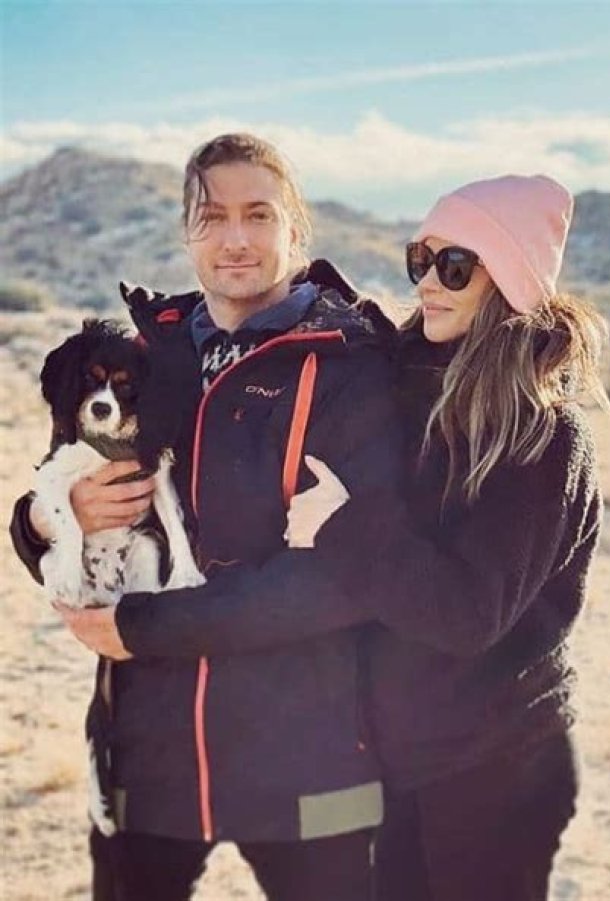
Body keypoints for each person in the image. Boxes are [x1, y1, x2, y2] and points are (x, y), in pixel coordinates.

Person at [69, 173, 607, 901]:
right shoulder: (404, 374)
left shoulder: (543, 436)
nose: (428, 282)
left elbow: (467, 615)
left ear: (512, 280)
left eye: (456, 266)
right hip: (398, 760)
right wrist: (63, 510)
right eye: (422, 259)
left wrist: (342, 526)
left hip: (495, 767)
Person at [9, 132, 400, 901]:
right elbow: (52, 498)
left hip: (308, 751)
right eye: (212, 216)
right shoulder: (140, 357)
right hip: (149, 749)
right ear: (187, 231)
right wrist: (52, 521)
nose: (235, 238)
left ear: (295, 227)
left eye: (259, 214)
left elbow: (344, 576)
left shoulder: (350, 363)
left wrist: (145, 625)